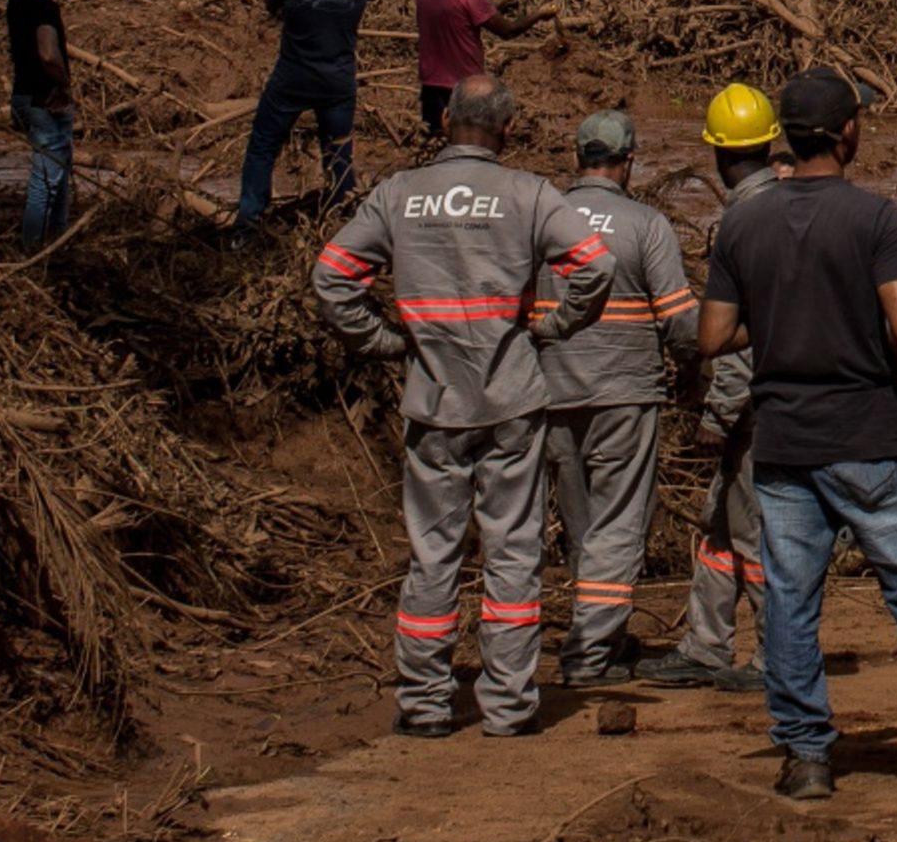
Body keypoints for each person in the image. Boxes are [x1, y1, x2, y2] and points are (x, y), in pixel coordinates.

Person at [694, 68, 897, 798]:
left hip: (783, 436)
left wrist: (781, 325)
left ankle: (806, 754)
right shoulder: (874, 218)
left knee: (789, 595)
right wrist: (876, 340)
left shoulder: (742, 222)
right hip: (867, 431)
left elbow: (712, 333)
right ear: (849, 133)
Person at [311, 75, 613, 737]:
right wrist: (555, 327)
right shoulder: (529, 192)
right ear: (507, 130)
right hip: (511, 399)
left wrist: (386, 342)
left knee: (433, 555)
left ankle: (424, 703)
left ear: (445, 119)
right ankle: (508, 706)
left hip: (434, 400)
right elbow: (596, 264)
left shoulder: (399, 193)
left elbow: (330, 275)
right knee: (512, 552)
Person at [538, 111, 699, 687]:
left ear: (576, 158)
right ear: (628, 162)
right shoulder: (645, 224)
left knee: (581, 525)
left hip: (551, 394)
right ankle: (590, 654)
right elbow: (681, 321)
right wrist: (692, 372)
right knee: (619, 524)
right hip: (624, 395)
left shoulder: (542, 215)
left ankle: (599, 631)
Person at [659, 83, 784, 695]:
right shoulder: (785, 206)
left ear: (715, 154)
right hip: (774, 402)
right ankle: (707, 645)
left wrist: (718, 413)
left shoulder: (741, 219)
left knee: (754, 531)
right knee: (719, 523)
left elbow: (738, 334)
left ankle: (772, 656)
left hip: (753, 408)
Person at [239, 0, 369, 234]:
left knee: (262, 146)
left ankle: (249, 222)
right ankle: (344, 223)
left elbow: (272, 7)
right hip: (338, 80)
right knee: (339, 152)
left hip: (293, 78)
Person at [414, 0, 535, 136]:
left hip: (431, 82)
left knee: (434, 140)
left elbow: (451, 15)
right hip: (465, 86)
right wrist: (539, 15)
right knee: (466, 140)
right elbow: (507, 30)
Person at [6, 0, 78, 252]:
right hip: (45, 103)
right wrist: (64, 86)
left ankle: (55, 242)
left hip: (22, 96)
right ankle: (33, 250)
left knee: (58, 172)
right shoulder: (46, 11)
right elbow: (48, 54)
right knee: (45, 181)